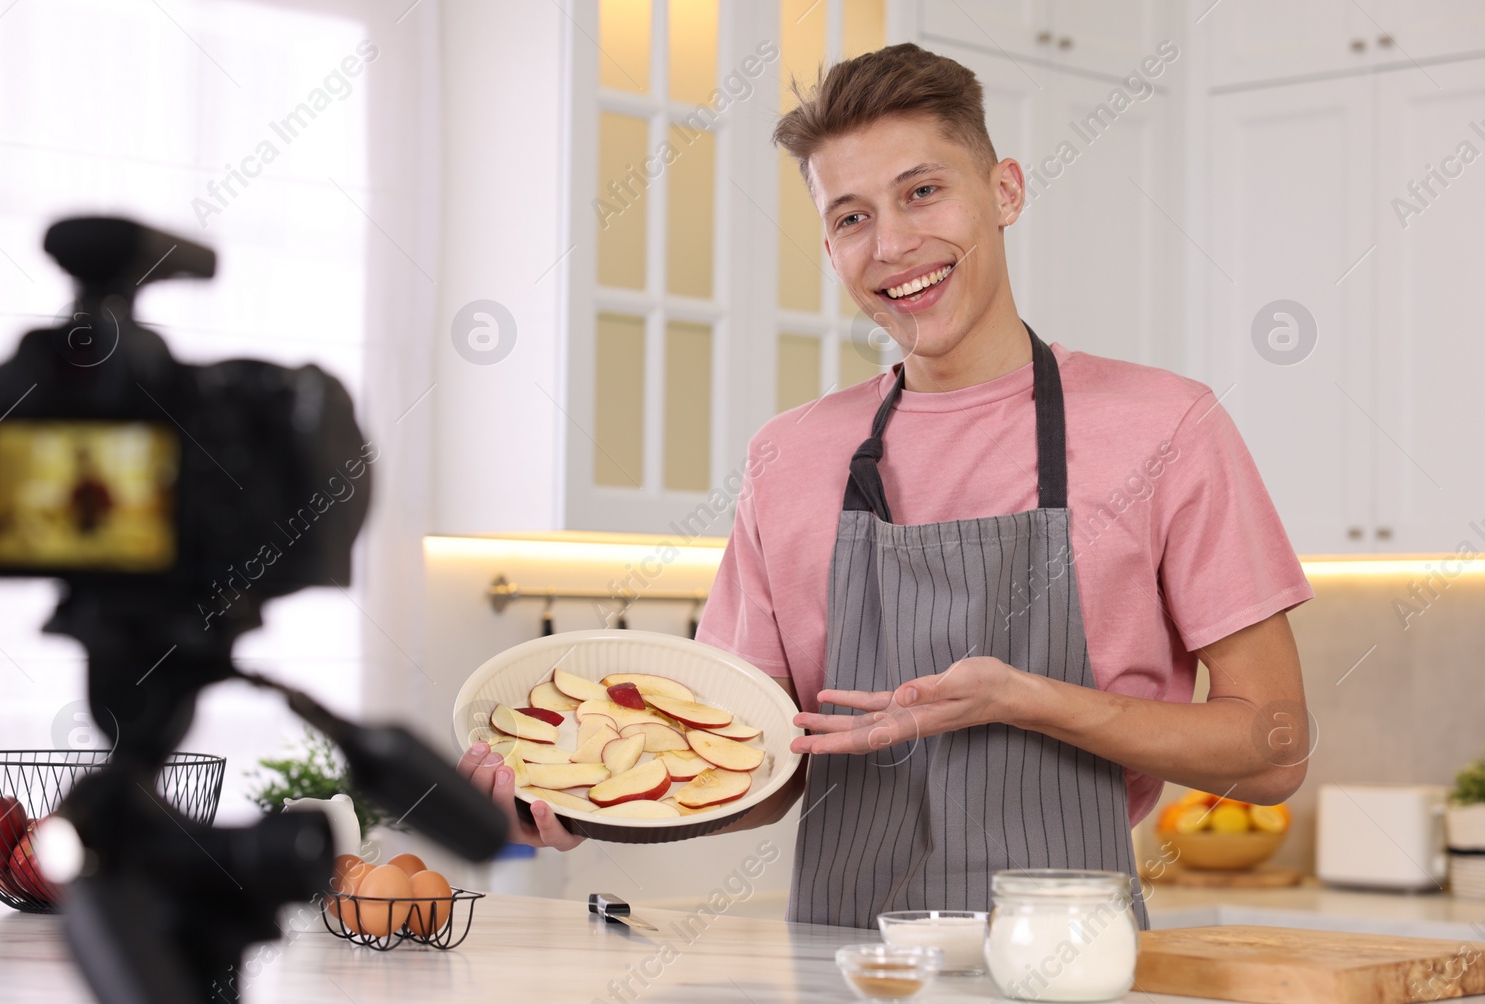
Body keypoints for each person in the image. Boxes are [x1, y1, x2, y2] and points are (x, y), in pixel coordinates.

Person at [459, 44, 1313, 927]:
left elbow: (1277, 746)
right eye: (850, 217)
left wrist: (1027, 700)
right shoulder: (788, 457)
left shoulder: (1166, 428)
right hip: (843, 983)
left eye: (923, 192)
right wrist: (587, 810)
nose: (894, 245)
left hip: (1065, 975)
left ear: (1006, 190)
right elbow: (756, 776)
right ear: (829, 247)